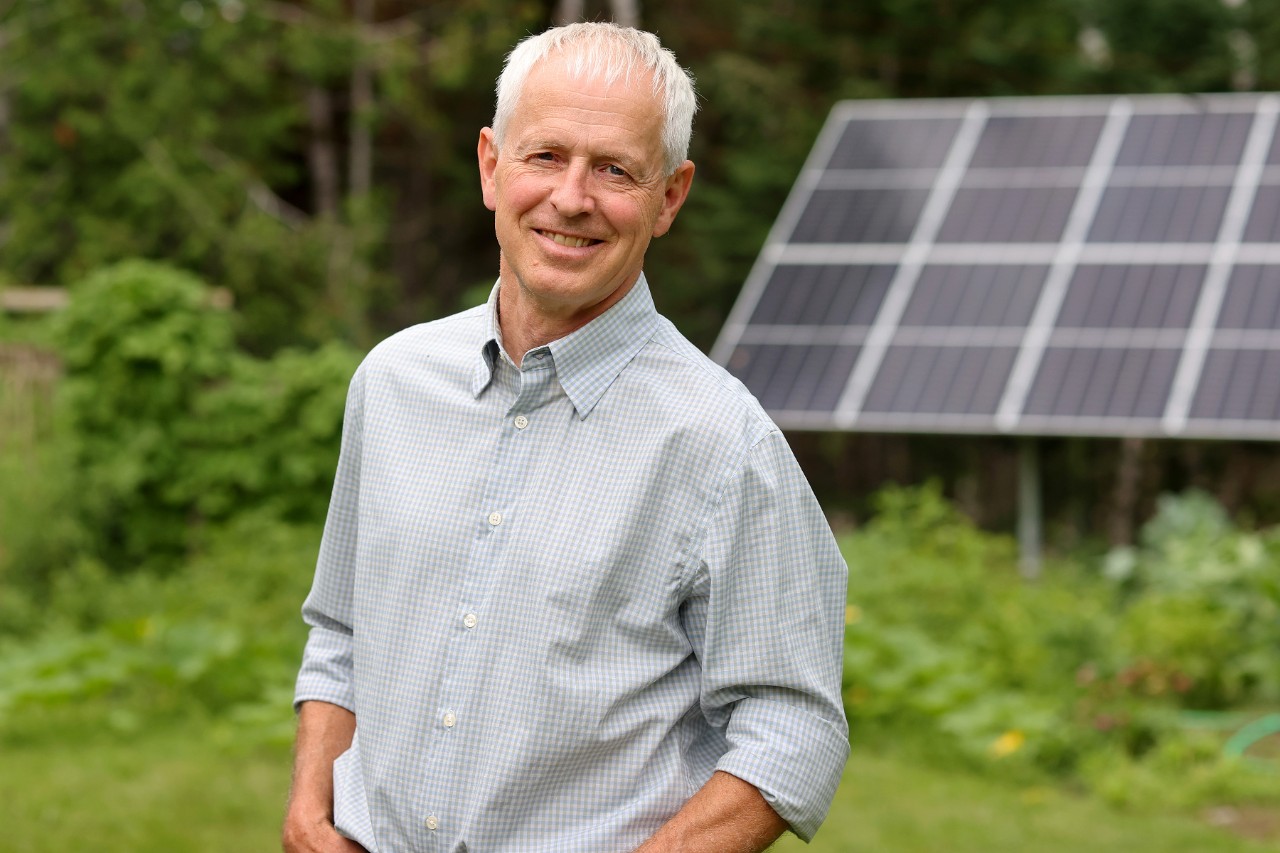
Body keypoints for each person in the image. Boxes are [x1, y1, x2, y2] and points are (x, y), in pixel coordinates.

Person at [282, 21, 848, 853]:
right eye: (545, 155)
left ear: (671, 196)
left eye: (615, 169)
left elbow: (792, 727)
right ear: (490, 165)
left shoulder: (724, 445)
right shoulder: (393, 383)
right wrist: (309, 805)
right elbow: (341, 630)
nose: (573, 197)